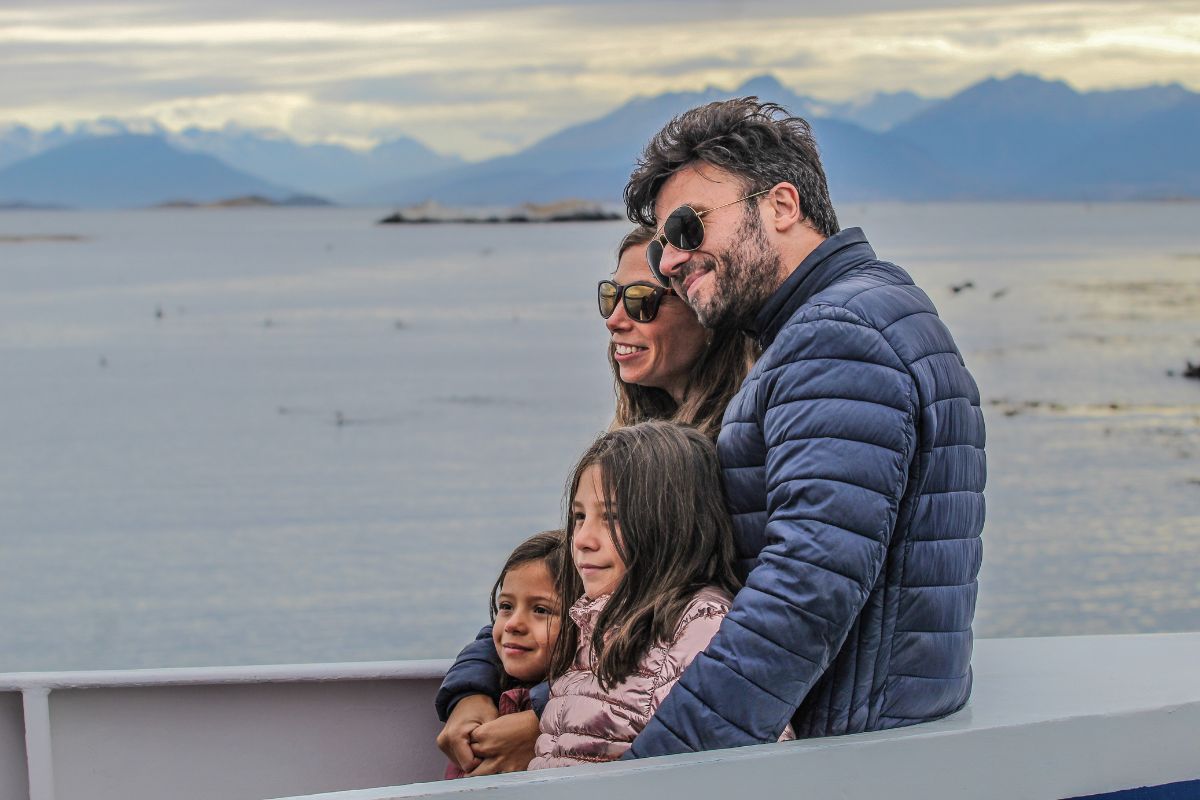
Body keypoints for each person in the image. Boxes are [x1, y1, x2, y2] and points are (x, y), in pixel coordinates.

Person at [614, 97, 986, 758]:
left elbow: (807, 584)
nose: (669, 261)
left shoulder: (834, 336)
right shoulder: (875, 305)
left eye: (687, 227)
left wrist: (666, 762)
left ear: (782, 206)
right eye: (659, 242)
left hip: (844, 752)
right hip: (884, 735)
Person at [433, 230, 757, 774]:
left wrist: (541, 716)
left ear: (708, 306)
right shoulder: (628, 450)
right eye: (612, 297)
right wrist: (472, 687)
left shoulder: (734, 465)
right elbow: (555, 578)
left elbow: (708, 648)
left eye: (642, 301)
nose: (614, 320)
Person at [529, 421, 765, 767]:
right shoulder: (590, 620)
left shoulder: (701, 626)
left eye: (611, 518)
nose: (581, 539)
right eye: (579, 516)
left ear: (671, 523)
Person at [443, 530, 565, 778]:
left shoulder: (590, 704)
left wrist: (545, 727)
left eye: (541, 610)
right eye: (506, 606)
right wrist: (468, 694)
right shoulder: (493, 686)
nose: (513, 624)